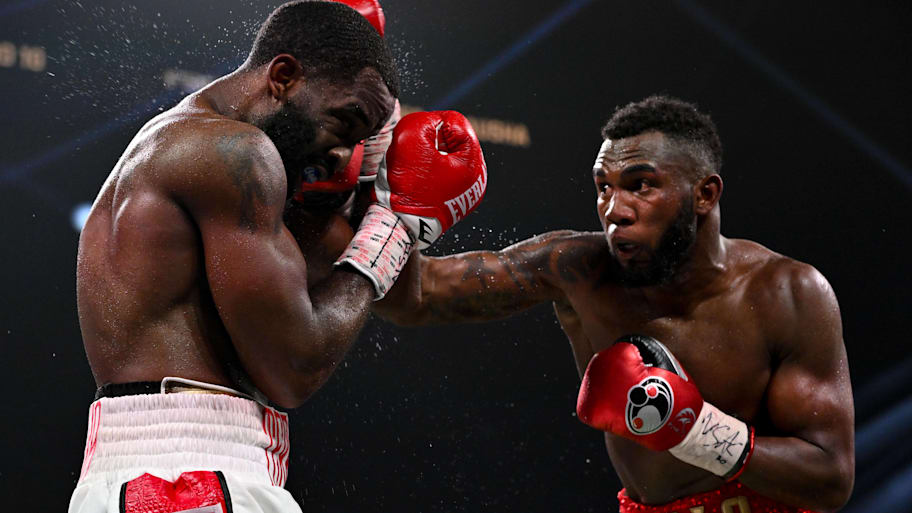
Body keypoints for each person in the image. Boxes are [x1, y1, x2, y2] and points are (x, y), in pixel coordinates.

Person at [69, 1, 488, 511]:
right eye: (344, 122)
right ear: (284, 76)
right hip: (186, 479)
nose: (342, 155)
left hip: (156, 470)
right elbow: (295, 368)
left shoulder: (179, 142)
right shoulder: (235, 153)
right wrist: (393, 228)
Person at [377, 96, 854, 512]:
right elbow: (415, 297)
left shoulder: (786, 293)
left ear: (704, 194)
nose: (614, 210)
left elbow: (831, 478)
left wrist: (694, 431)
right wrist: (389, 207)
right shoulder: (578, 270)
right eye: (604, 186)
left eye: (641, 184)